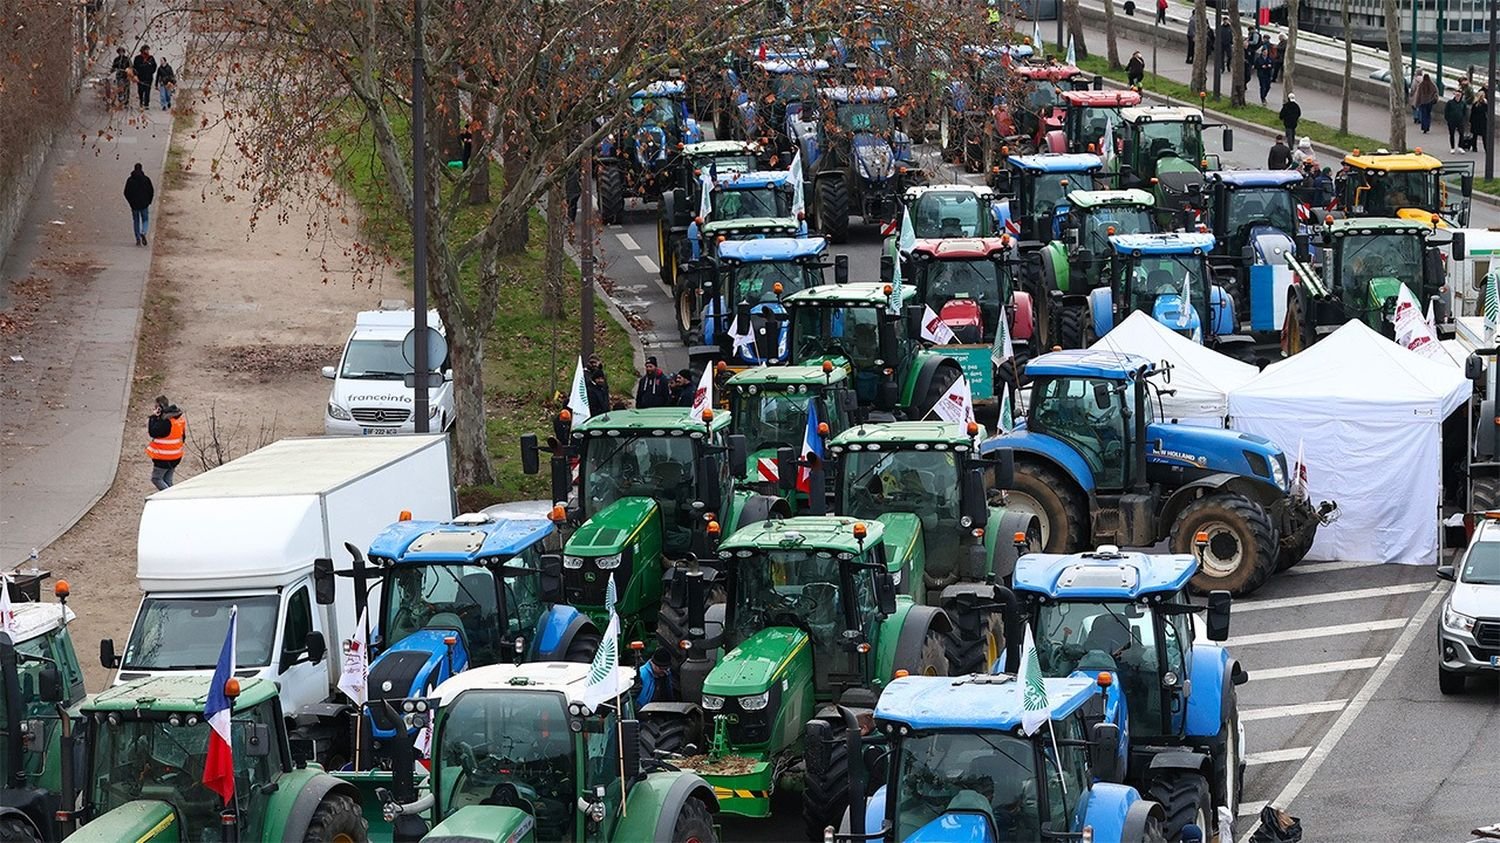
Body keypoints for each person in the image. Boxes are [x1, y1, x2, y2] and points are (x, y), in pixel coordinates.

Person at [145, 396, 185, 490]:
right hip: (176, 455)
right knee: (167, 480)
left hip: (164, 457)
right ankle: (171, 495)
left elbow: (153, 432)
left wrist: (153, 417)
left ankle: (170, 496)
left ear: (159, 407)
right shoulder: (177, 419)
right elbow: (183, 437)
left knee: (156, 479)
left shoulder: (165, 421)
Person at [123, 162, 154, 246]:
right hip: (144, 204)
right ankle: (143, 232)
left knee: (136, 221)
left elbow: (126, 192)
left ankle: (137, 238)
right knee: (145, 219)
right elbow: (151, 191)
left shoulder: (130, 180)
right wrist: (149, 201)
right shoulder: (146, 179)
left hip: (134, 205)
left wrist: (130, 202)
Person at [131, 45, 156, 109]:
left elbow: (154, 66)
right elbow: (135, 67)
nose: (147, 51)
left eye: (148, 50)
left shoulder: (151, 58)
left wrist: (150, 71)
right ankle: (141, 102)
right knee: (140, 91)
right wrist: (136, 74)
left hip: (148, 77)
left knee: (147, 91)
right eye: (146, 50)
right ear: (143, 50)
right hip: (140, 77)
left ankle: (146, 104)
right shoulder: (137, 58)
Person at [1446, 88, 1470, 153]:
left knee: (1461, 134)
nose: (1458, 96)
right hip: (1452, 121)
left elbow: (1465, 112)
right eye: (1457, 95)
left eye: (1459, 95)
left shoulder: (1463, 103)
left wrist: (1464, 119)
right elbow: (1446, 111)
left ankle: (1460, 146)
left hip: (1460, 121)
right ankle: (1452, 147)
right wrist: (1448, 119)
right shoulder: (1450, 102)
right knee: (1452, 134)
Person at [1472, 88, 1490, 154]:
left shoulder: (1476, 104)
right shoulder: (1482, 104)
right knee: (1483, 136)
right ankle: (1485, 148)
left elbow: (1472, 113)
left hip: (1477, 121)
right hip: (1481, 121)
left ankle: (1475, 147)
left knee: (1476, 135)